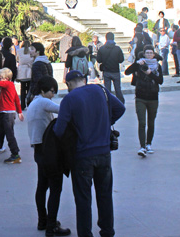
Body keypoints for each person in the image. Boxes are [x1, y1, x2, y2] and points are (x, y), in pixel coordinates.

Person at [54, 69, 125, 237]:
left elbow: (59, 130)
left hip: (82, 156)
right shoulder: (100, 90)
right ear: (84, 80)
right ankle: (107, 231)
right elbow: (120, 109)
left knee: (83, 199)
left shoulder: (69, 99)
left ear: (69, 84)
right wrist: (105, 123)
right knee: (105, 195)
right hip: (104, 153)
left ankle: (85, 234)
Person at [27, 76, 71, 237]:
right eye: (52, 91)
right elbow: (64, 111)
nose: (53, 95)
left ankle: (42, 220)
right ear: (44, 90)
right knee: (55, 187)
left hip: (38, 149)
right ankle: (52, 225)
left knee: (42, 186)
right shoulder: (43, 102)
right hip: (49, 150)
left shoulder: (33, 102)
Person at [125, 45, 163, 157]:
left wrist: (150, 74)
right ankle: (142, 146)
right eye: (147, 53)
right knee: (142, 123)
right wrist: (137, 64)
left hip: (153, 97)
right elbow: (127, 72)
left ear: (154, 54)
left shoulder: (157, 66)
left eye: (151, 53)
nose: (149, 55)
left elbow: (160, 81)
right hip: (141, 97)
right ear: (144, 54)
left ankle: (148, 144)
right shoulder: (140, 64)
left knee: (151, 123)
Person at [0, 68, 24, 164]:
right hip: (5, 113)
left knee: (9, 134)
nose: (0, 79)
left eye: (1, 77)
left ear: (7, 78)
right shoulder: (9, 86)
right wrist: (19, 112)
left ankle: (15, 154)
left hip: (7, 114)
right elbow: (16, 99)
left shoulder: (8, 84)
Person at [96, 32, 125, 104]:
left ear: (106, 38)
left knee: (107, 89)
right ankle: (120, 102)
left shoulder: (102, 49)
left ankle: (108, 103)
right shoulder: (117, 49)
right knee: (118, 89)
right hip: (115, 71)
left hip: (106, 71)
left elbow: (99, 60)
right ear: (113, 38)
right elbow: (121, 60)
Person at [17, 41, 34, 110]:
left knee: (22, 89)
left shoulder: (19, 51)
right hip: (30, 70)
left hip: (22, 71)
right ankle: (29, 103)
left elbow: (17, 59)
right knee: (30, 89)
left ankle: (22, 105)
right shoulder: (32, 50)